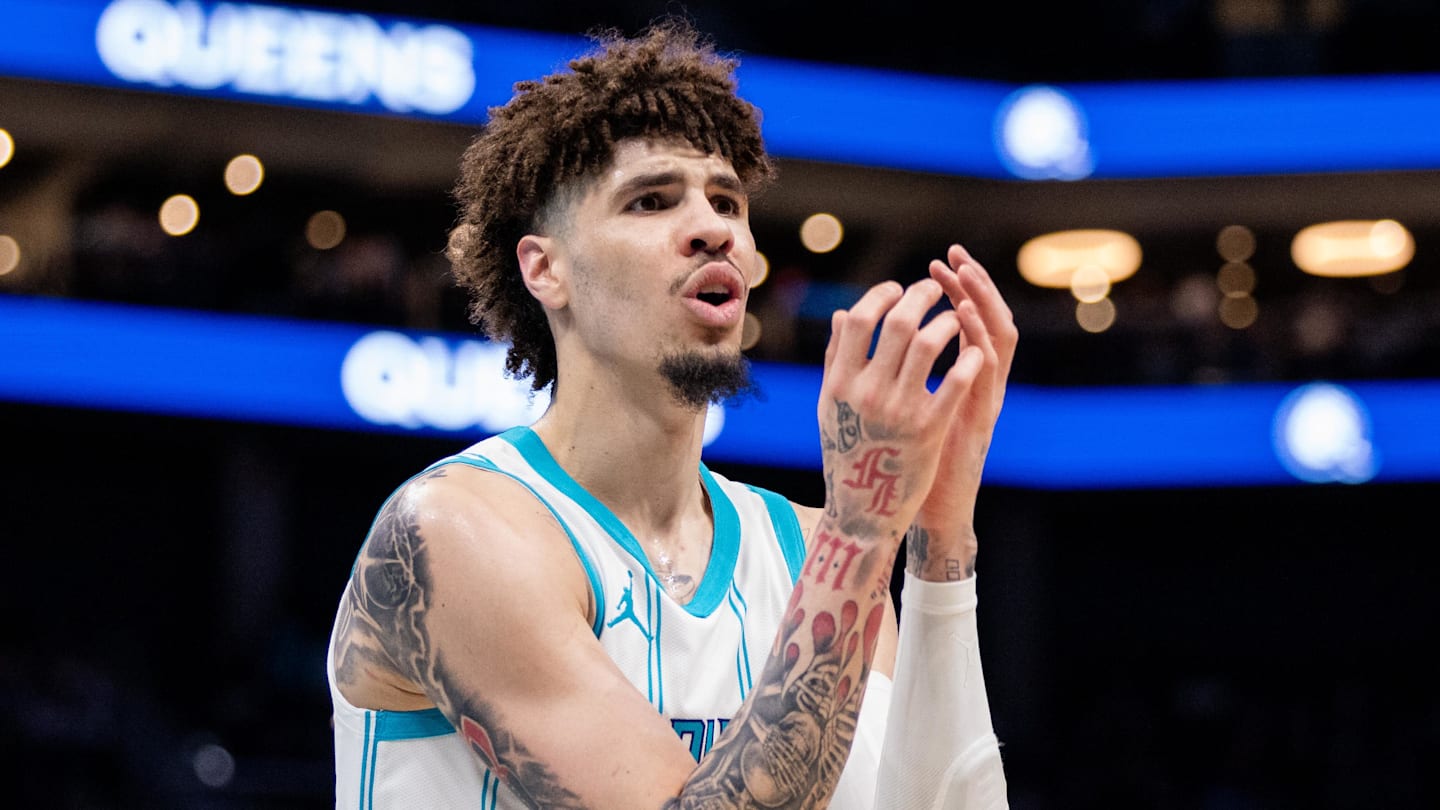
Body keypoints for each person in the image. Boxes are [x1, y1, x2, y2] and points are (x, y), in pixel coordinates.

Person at [326, 18, 1017, 809]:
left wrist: (937, 544)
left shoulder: (804, 549)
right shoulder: (455, 532)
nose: (713, 227)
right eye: (651, 202)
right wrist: (863, 530)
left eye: (727, 201)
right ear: (545, 269)